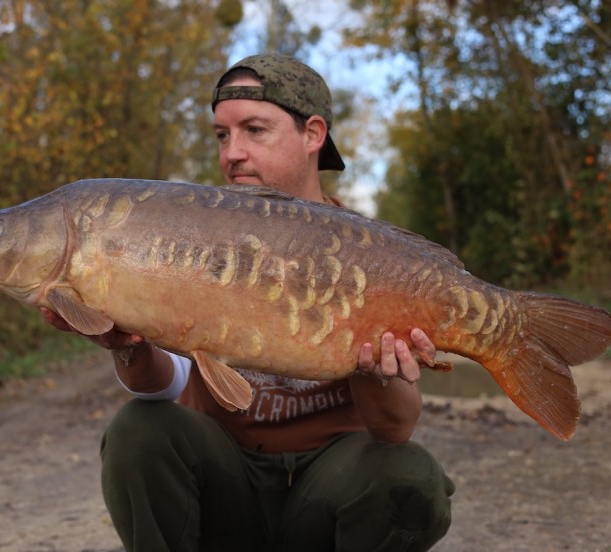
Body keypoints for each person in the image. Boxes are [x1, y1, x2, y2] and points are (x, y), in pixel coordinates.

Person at [42, 54, 454, 551]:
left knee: (411, 476)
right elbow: (166, 383)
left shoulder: (373, 256)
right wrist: (125, 346)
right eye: (222, 135)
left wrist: (375, 368)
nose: (232, 153)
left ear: (313, 134)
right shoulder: (188, 230)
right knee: (138, 430)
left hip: (325, 491)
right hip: (228, 484)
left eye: (254, 130)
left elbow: (396, 426)